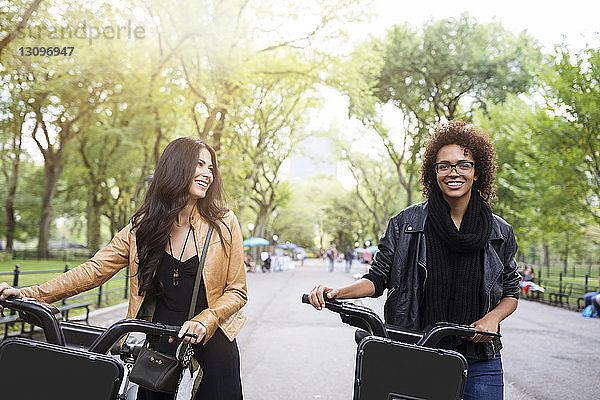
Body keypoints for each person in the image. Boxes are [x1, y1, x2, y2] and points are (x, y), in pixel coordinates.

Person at [0, 137, 247, 400]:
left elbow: (237, 292)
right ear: (177, 167)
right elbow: (94, 270)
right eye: (200, 165)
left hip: (214, 340)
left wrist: (205, 320)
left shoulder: (224, 223)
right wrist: (31, 294)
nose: (207, 174)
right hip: (160, 342)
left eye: (211, 168)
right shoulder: (143, 228)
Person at [307, 121, 520, 400]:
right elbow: (377, 278)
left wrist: (493, 318)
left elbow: (511, 292)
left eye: (463, 165)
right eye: (444, 166)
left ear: (477, 172)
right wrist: (336, 292)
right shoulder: (406, 223)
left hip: (481, 361)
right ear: (434, 172)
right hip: (416, 353)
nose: (453, 173)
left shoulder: (500, 232)